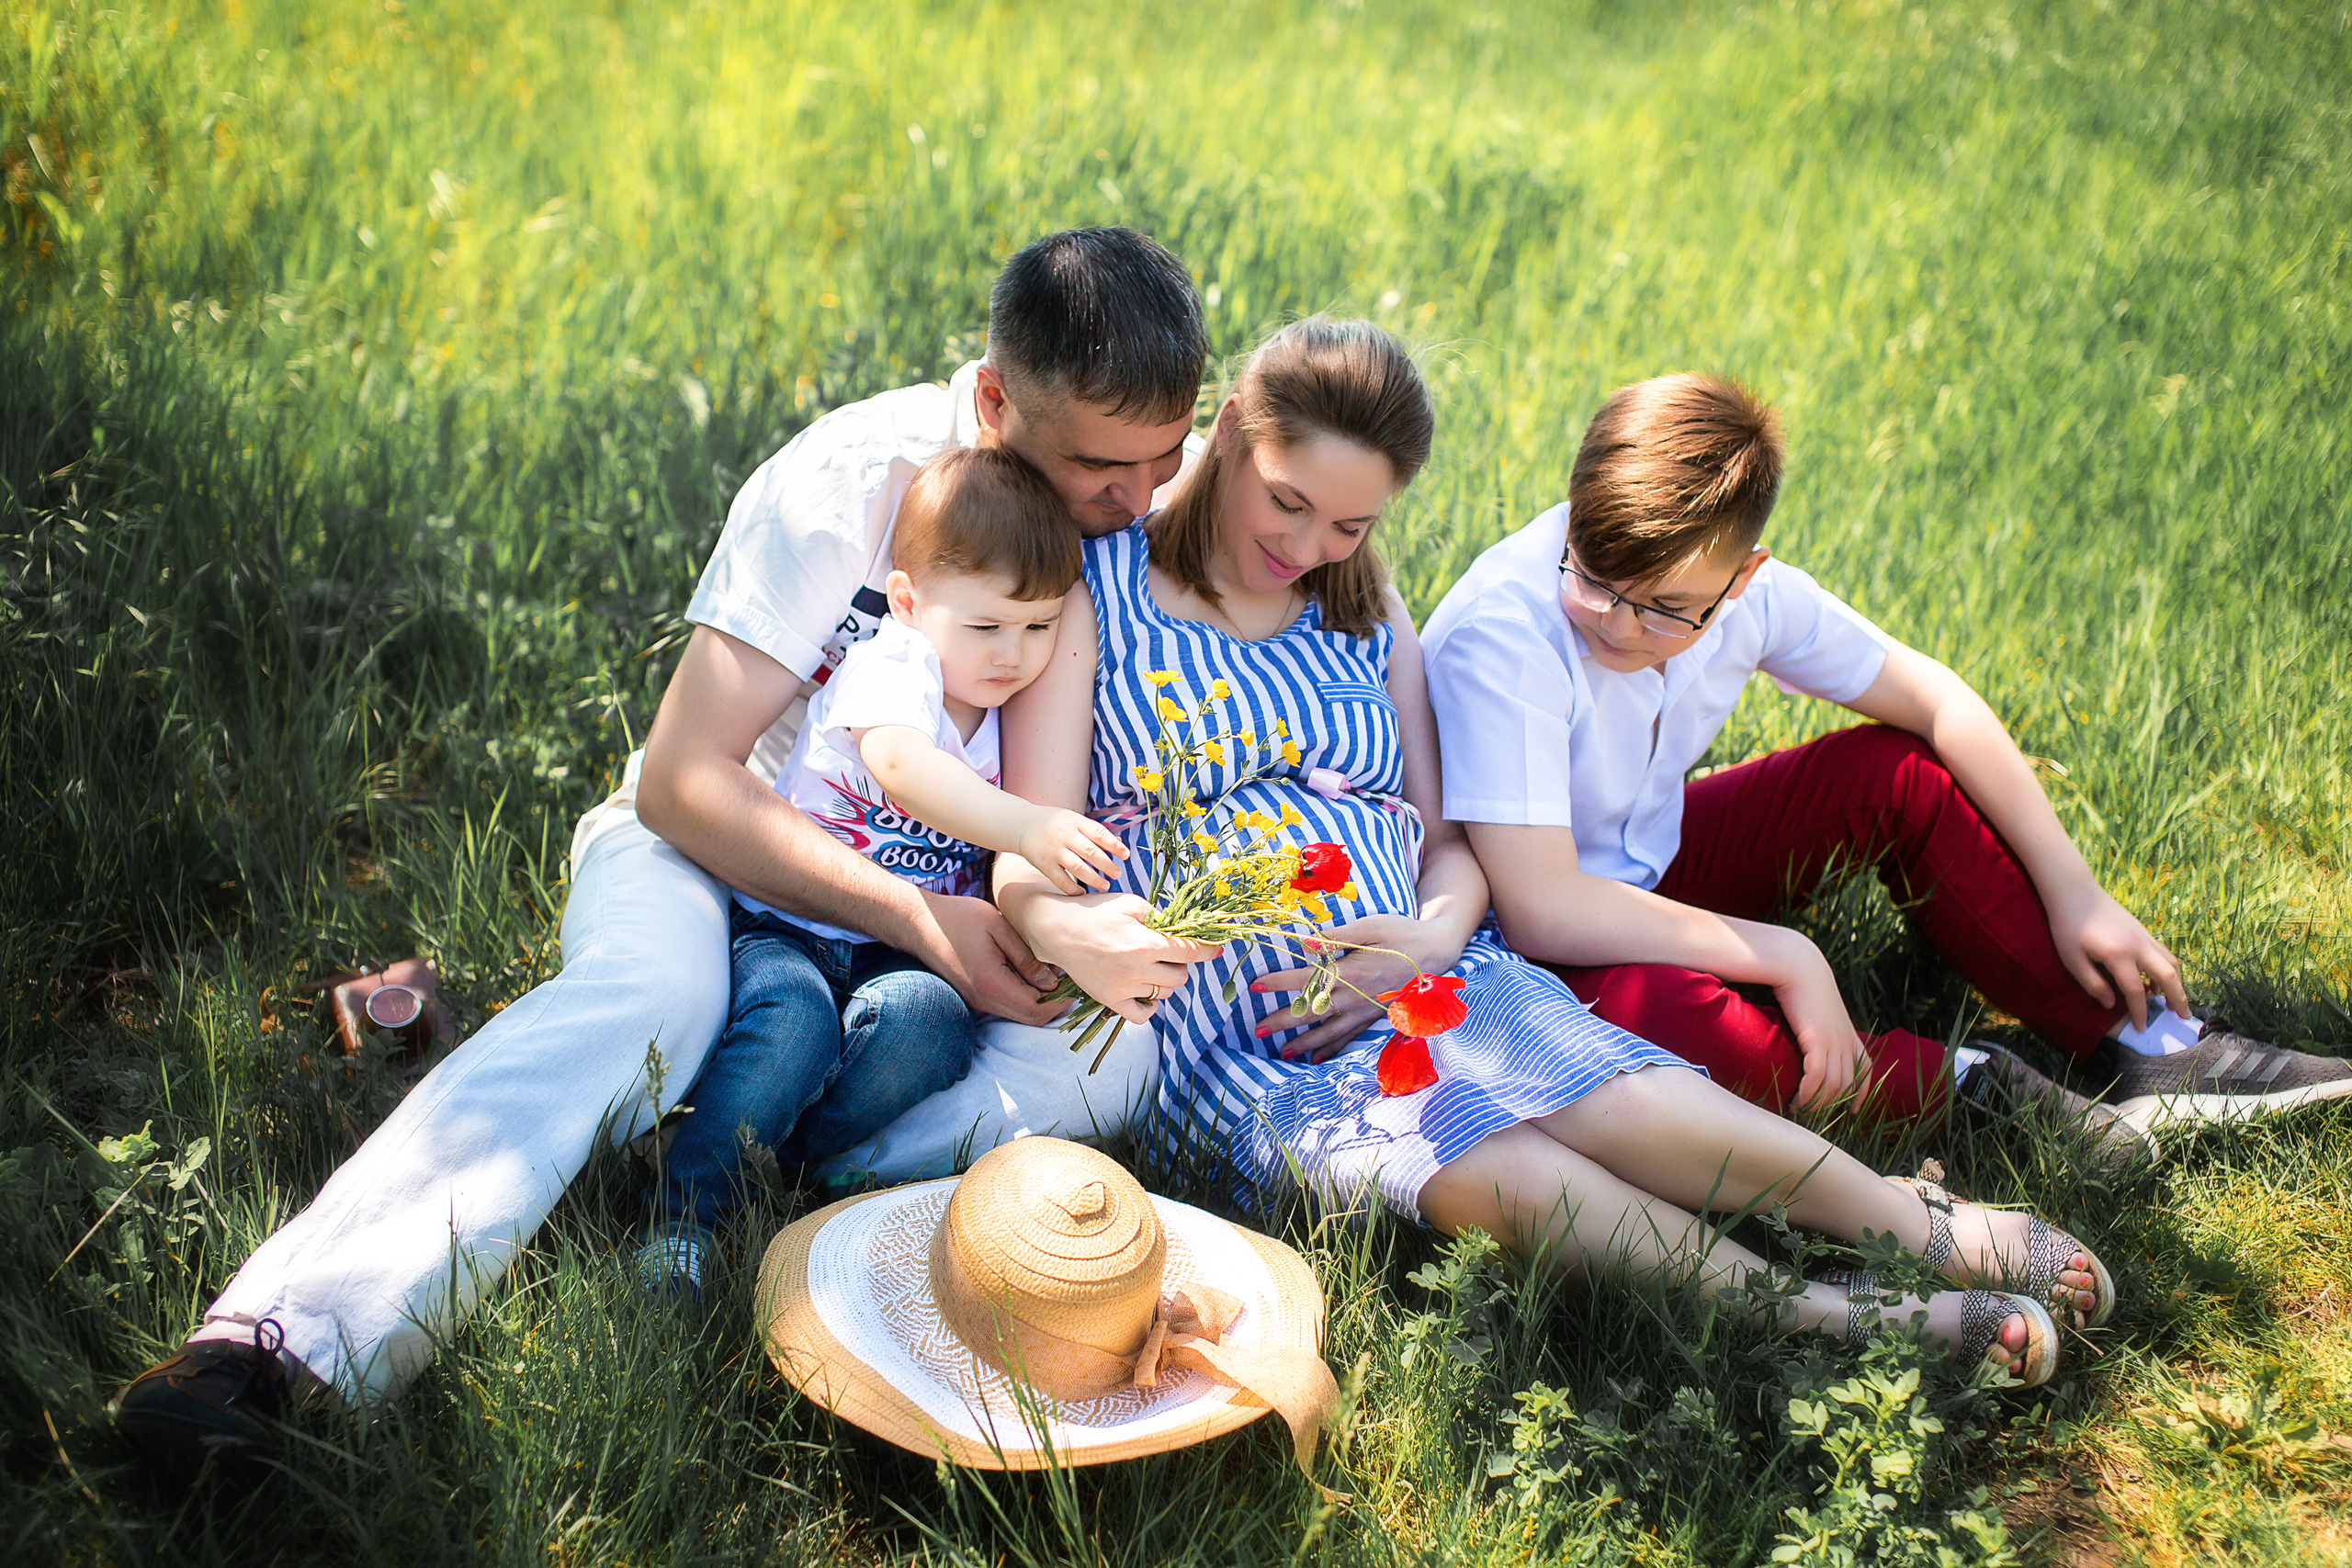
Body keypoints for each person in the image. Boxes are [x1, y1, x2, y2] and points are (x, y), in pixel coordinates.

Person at [110, 227, 1216, 1483]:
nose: (1138, 501)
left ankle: (789, 1180)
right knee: (659, 998)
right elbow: (685, 779)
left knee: (1106, 1057)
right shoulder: (848, 482)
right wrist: (918, 920)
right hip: (714, 848)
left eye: (1165, 455)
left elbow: (1034, 801)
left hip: (936, 892)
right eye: (1102, 466)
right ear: (1000, 396)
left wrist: (1042, 922)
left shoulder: (1106, 513)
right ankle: (280, 1344)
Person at [992, 318, 2110, 1389]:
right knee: (1517, 1176)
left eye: (1348, 524)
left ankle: (1915, 1222)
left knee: (1629, 1101)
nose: (1305, 546)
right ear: (1230, 427)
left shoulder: (1361, 606)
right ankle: (1825, 1318)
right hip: (1251, 1036)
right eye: (1287, 503)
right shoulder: (1099, 590)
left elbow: (1449, 846)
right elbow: (1031, 848)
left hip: (1432, 978)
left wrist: (1428, 937)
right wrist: (1071, 928)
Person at [1418, 373, 2352, 1157]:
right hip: (1518, 948)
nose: (1618, 624)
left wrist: (2077, 893)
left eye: (1665, 608)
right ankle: (1962, 1088)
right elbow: (1542, 909)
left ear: (1741, 578)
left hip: (1649, 870)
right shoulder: (1505, 631)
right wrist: (1785, 954)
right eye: (1590, 576)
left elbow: (1937, 700)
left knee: (1893, 773)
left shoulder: (1752, 597)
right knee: (1659, 1021)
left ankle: (2143, 1039)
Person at [636, 446, 1134, 1298]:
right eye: (987, 627)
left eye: (1039, 625)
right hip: (789, 918)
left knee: (927, 1025)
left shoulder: (1013, 699)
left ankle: (784, 1166)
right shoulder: (895, 661)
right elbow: (902, 766)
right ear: (908, 601)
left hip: (899, 951)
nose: (1013, 654)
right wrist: (1026, 822)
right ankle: (682, 1213)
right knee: (792, 1022)